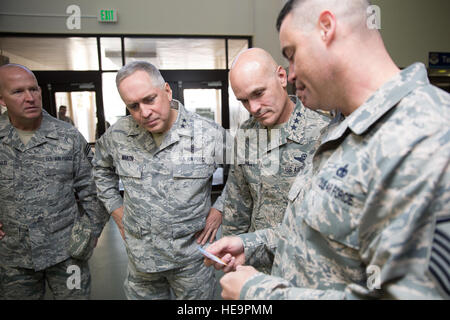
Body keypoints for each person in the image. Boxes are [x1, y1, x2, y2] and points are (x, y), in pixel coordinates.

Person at [205, 0, 450, 300]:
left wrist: (259, 294)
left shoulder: (429, 135)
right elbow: (311, 235)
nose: (291, 75)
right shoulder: (338, 129)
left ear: (327, 28)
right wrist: (251, 245)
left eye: (292, 55)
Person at [92, 61, 226, 300]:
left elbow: (242, 172)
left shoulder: (208, 133)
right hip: (142, 261)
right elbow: (100, 170)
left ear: (167, 90)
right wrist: (116, 209)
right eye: (133, 106)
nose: (144, 113)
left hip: (192, 258)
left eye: (149, 99)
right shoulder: (119, 135)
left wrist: (219, 209)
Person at [0, 64, 109, 299]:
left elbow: (96, 190)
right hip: (13, 258)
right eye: (18, 92)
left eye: (34, 89)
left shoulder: (67, 137)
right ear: (2, 99)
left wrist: (88, 234)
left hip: (66, 252)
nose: (30, 98)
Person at [222, 48, 330, 273]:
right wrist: (231, 262)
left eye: (259, 93)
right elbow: (237, 203)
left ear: (281, 77)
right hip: (252, 265)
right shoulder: (246, 133)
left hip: (302, 270)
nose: (254, 108)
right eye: (243, 101)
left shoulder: (324, 133)